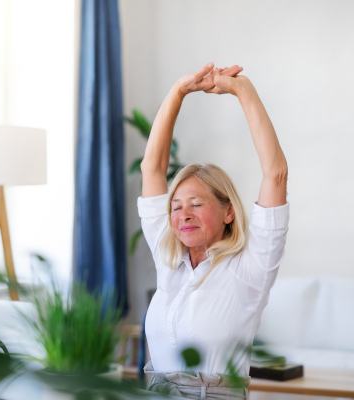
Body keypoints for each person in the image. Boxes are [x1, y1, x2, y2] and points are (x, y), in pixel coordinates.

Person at [138, 62, 289, 400]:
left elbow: (276, 173)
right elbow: (152, 168)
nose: (183, 214)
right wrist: (178, 91)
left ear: (228, 212)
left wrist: (242, 89)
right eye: (176, 206)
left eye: (196, 203)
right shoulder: (168, 261)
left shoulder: (252, 269)